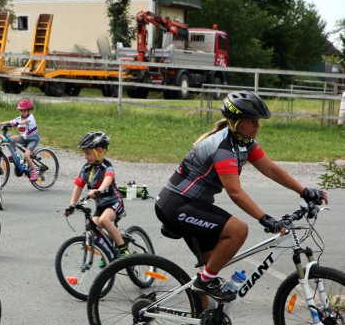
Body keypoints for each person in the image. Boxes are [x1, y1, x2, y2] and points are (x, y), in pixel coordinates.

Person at [155, 91, 328, 302]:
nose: (257, 125)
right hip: (177, 205)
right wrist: (265, 218)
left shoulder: (243, 142)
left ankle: (202, 323)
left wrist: (305, 191)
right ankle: (204, 283)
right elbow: (235, 192)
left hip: (194, 205)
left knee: (210, 274)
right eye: (251, 121)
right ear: (234, 122)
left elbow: (270, 169)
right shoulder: (224, 148)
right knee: (237, 230)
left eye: (257, 121)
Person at [65, 131, 130, 259]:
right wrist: (72, 205)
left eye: (88, 153)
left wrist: (98, 190)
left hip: (114, 202)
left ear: (99, 151)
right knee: (90, 232)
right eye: (84, 153)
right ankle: (108, 253)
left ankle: (124, 250)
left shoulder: (107, 166)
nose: (85, 156)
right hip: (101, 206)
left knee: (104, 220)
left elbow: (108, 179)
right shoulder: (86, 168)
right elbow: (78, 187)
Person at [0, 98, 40, 181]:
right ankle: (15, 155)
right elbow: (10, 121)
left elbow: (24, 122)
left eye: (24, 111)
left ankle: (34, 171)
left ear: (29, 111)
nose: (22, 113)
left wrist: (17, 123)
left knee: (26, 155)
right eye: (21, 111)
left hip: (33, 140)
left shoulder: (30, 118)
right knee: (11, 139)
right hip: (25, 138)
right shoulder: (20, 118)